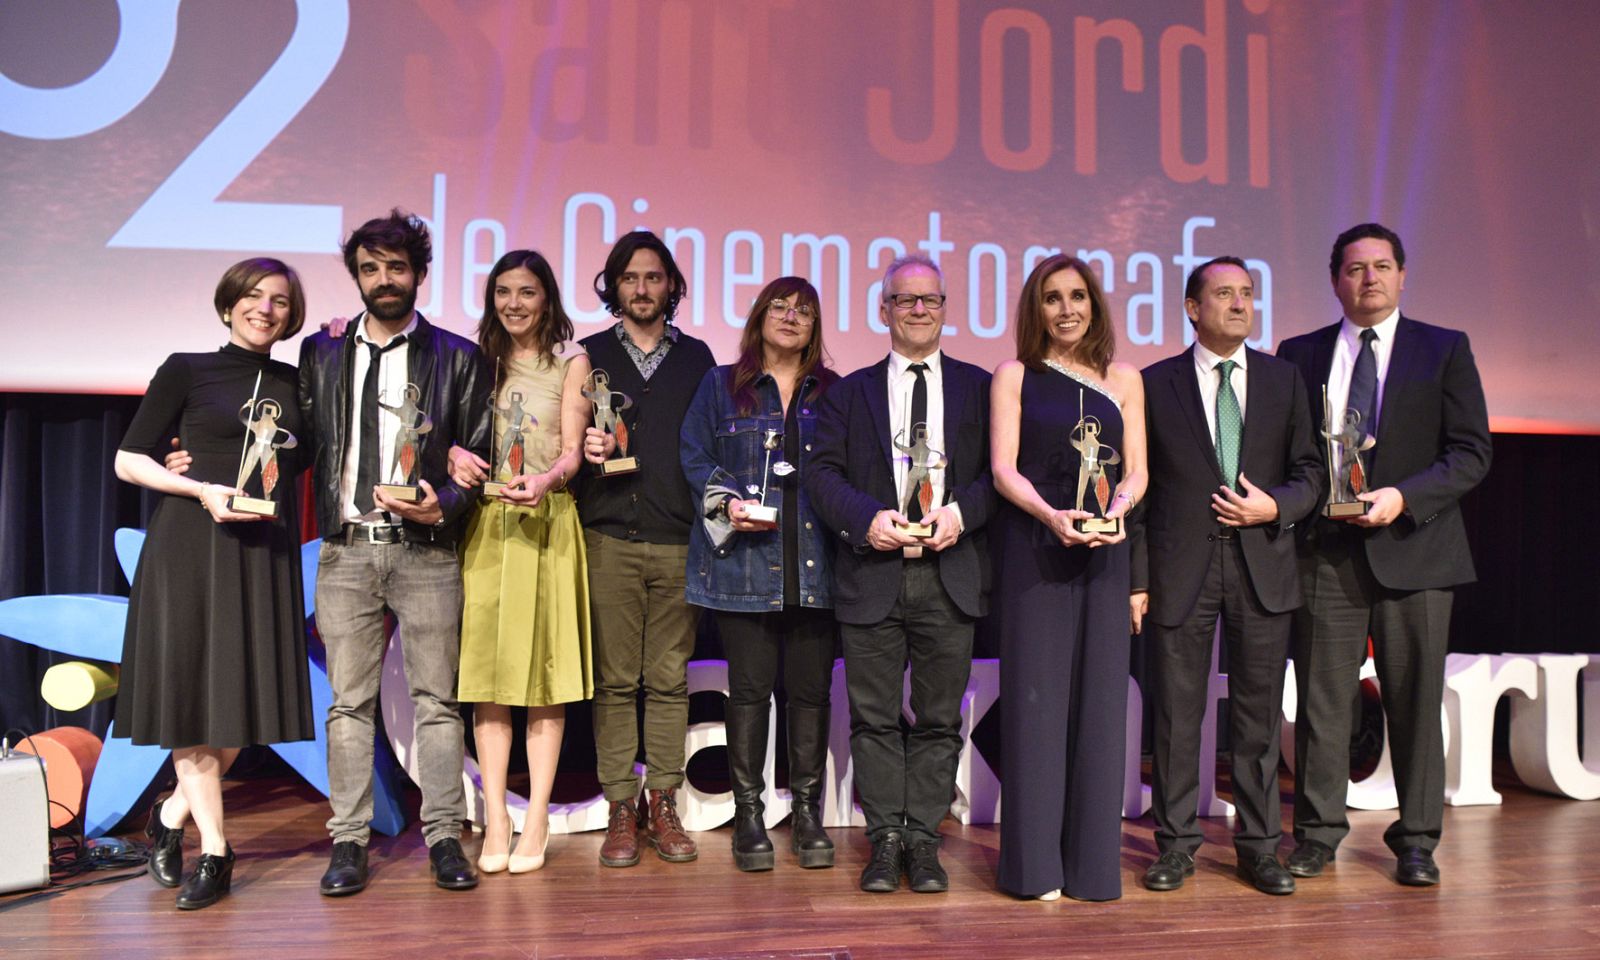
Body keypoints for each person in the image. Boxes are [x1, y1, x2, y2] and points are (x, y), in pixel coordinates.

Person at [1277, 223, 1491, 886]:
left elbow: (1471, 452)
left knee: (1415, 701)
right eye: (1354, 268)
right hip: (1327, 555)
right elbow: (1292, 454)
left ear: (1401, 275)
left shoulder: (1443, 349)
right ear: (1334, 279)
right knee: (1320, 703)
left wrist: (1403, 496)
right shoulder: (1299, 353)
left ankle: (1418, 840)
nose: (1368, 278)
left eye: (1381, 266)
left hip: (1416, 550)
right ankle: (1316, 834)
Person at [300, 210, 492, 894]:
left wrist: (448, 500)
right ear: (356, 276)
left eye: (398, 267)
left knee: (437, 702)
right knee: (347, 704)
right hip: (347, 551)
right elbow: (291, 438)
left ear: (420, 274)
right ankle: (347, 842)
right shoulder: (321, 352)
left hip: (427, 554)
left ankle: (444, 835)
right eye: (371, 268)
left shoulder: (458, 357)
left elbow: (482, 460)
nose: (385, 280)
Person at [114, 258, 314, 909]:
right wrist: (198, 486)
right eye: (254, 296)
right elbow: (128, 459)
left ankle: (171, 818)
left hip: (260, 551)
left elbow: (304, 459)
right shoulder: (187, 368)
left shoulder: (297, 383)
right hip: (191, 547)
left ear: (293, 314)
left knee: (237, 705)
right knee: (194, 703)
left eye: (280, 300)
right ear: (229, 303)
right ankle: (219, 853)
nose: (266, 308)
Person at [1130, 256, 1324, 895]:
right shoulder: (1155, 384)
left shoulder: (1283, 379)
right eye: (1224, 294)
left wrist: (1277, 506)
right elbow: (1139, 492)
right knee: (1177, 718)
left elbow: (1312, 473)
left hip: (1262, 565)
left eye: (1247, 294)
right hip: (1180, 569)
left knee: (1258, 720)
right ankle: (1177, 846)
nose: (1240, 305)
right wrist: (1137, 578)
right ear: (1192, 308)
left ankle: (1260, 847)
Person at [806, 255, 995, 894]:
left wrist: (962, 515)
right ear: (882, 310)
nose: (919, 310)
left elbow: (1000, 474)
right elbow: (822, 476)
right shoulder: (848, 392)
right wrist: (868, 519)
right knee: (874, 717)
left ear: (945, 308)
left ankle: (924, 840)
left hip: (951, 573)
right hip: (873, 570)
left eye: (930, 300)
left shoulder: (979, 386)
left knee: (941, 719)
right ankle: (885, 838)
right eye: (905, 300)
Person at [989, 255, 1147, 902]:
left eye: (1077, 296)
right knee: (1035, 712)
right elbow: (1003, 469)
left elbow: (1137, 471)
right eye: (1052, 298)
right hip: (1036, 551)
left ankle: (1091, 870)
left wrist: (1116, 512)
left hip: (1106, 556)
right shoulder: (1014, 375)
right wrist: (1052, 515)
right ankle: (1034, 871)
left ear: (1094, 303)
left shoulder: (1126, 379)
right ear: (1037, 309)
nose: (1066, 309)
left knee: (1102, 713)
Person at [680, 277, 840, 872]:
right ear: (759, 315)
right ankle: (749, 814)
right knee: (748, 694)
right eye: (781, 305)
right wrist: (726, 505)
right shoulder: (721, 385)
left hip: (817, 567)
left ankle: (805, 814)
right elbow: (694, 456)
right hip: (744, 567)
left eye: (804, 310)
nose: (791, 317)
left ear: (816, 325)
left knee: (810, 695)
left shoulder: (836, 393)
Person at [445, 250, 594, 875]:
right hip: (484, 525)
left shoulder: (572, 361)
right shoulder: (472, 362)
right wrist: (451, 450)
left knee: (543, 677)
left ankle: (535, 818)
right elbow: (437, 432)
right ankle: (496, 817)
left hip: (547, 521)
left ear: (547, 297)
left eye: (526, 292)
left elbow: (572, 451)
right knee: (489, 677)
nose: (514, 303)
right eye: (503, 291)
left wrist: (547, 480)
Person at [576, 230, 716, 867]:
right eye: (629, 278)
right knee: (612, 683)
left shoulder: (700, 358)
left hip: (678, 541)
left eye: (653, 277)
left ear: (671, 286)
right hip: (606, 537)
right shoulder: (589, 356)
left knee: (666, 681)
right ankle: (619, 809)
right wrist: (584, 453)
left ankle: (663, 801)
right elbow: (561, 445)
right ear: (614, 286)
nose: (641, 288)